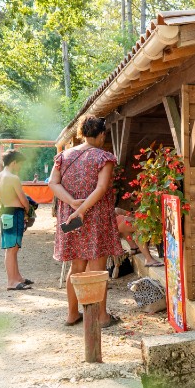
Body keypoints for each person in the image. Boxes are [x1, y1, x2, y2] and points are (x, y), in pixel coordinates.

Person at [49, 115, 123, 328]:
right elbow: (101, 189)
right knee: (97, 267)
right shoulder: (104, 157)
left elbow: (53, 183)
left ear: (82, 134)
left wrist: (73, 203)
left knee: (77, 266)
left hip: (71, 217)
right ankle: (101, 317)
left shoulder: (63, 157)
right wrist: (82, 210)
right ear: (100, 134)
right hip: (95, 217)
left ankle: (72, 314)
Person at [0, 150, 32, 291]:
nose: (20, 167)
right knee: (12, 249)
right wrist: (28, 211)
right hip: (15, 212)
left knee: (13, 248)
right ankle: (11, 281)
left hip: (5, 211)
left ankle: (17, 277)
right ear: (14, 162)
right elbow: (23, 199)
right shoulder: (13, 178)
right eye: (20, 164)